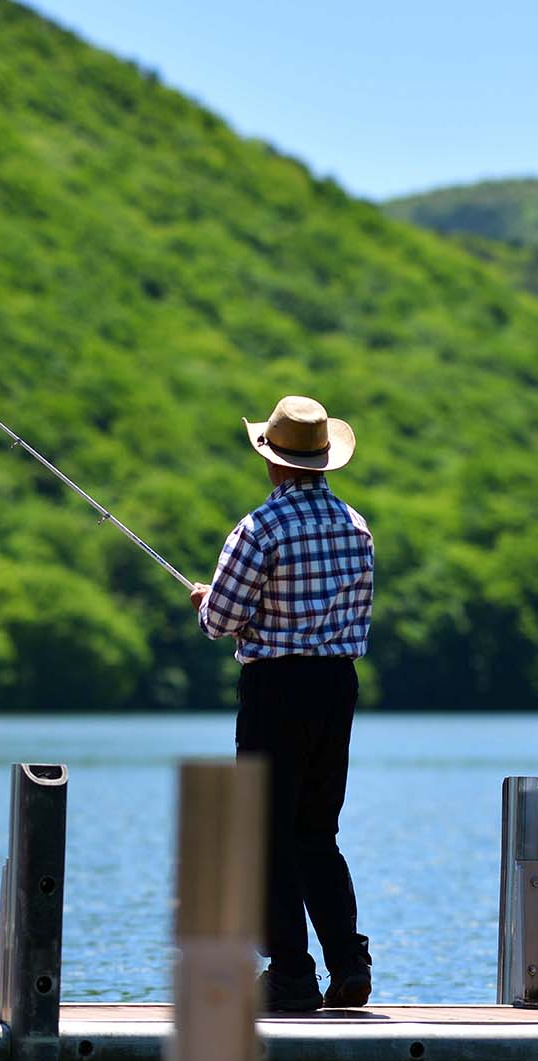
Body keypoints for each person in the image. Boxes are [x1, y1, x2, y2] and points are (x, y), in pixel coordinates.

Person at [190, 394, 376, 1013]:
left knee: (265, 835)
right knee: (316, 833)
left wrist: (206, 601)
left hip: (277, 689)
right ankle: (348, 966)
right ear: (324, 461)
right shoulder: (356, 525)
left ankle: (291, 976)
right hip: (337, 687)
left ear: (273, 462)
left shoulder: (259, 528)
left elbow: (221, 621)